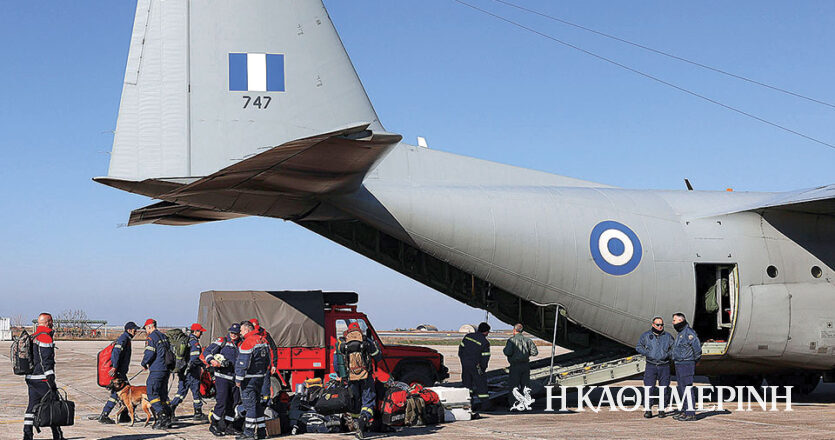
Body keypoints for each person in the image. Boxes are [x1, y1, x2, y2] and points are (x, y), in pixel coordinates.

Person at [23, 313, 65, 440]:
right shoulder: (45, 337)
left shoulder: (33, 336)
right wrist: (51, 380)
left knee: (31, 407)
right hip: (43, 379)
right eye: (51, 321)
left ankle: (27, 435)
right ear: (48, 322)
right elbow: (46, 361)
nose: (52, 323)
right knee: (54, 405)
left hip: (31, 378)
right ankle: (57, 435)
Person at [340, 321, 382, 439]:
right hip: (365, 377)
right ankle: (362, 423)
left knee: (355, 401)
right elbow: (378, 357)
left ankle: (355, 421)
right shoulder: (365, 341)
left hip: (350, 378)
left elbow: (337, 363)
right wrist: (376, 348)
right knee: (368, 402)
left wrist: (343, 376)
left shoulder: (343, 343)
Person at [97, 321, 141, 424]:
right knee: (125, 394)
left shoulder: (126, 339)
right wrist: (115, 367)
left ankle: (123, 416)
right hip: (119, 372)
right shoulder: (123, 339)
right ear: (129, 330)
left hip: (121, 372)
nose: (136, 332)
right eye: (135, 330)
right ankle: (106, 415)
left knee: (122, 394)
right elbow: (116, 353)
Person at [236, 320, 273, 439]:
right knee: (257, 405)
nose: (240, 333)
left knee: (250, 406)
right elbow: (268, 360)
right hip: (260, 378)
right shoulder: (263, 340)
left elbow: (243, 363)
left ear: (247, 329)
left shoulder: (247, 342)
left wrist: (238, 379)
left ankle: (249, 433)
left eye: (241, 330)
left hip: (248, 379)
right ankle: (261, 431)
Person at [205, 323, 243, 436]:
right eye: (231, 332)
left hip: (235, 379)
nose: (233, 335)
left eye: (235, 333)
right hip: (222, 378)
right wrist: (212, 361)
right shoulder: (223, 341)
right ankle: (214, 424)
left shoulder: (242, 344)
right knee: (222, 402)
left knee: (234, 403)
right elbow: (207, 352)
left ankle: (228, 426)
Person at [635, 316, 673, 418]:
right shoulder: (646, 336)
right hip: (651, 366)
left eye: (661, 325)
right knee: (649, 388)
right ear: (653, 325)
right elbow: (638, 347)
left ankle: (662, 409)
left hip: (664, 366)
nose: (660, 327)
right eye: (658, 325)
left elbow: (673, 348)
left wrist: (667, 354)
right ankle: (648, 410)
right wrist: (648, 353)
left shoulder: (668, 336)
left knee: (664, 388)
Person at [171, 323, 208, 421]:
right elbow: (195, 359)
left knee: (181, 392)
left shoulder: (187, 340)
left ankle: (171, 410)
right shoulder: (194, 343)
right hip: (192, 372)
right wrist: (204, 365)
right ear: (195, 332)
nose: (201, 334)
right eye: (200, 332)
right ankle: (197, 413)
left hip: (183, 371)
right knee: (195, 392)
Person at [142, 318, 173, 429]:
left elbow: (150, 352)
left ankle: (162, 416)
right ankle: (168, 416)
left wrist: (144, 363)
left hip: (157, 369)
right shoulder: (163, 336)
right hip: (166, 369)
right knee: (163, 394)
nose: (146, 331)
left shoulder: (152, 337)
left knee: (152, 392)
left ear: (150, 326)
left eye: (146, 328)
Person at [671, 312, 701, 421]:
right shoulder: (680, 333)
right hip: (679, 363)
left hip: (686, 364)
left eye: (674, 320)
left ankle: (690, 413)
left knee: (687, 388)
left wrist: (694, 360)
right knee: (682, 389)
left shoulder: (689, 333)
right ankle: (684, 411)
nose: (673, 323)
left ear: (680, 320)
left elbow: (697, 349)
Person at [503, 323, 538, 408]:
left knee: (514, 386)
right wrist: (526, 353)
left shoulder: (511, 340)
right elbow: (535, 352)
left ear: (514, 330)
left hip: (515, 366)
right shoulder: (528, 340)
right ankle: (527, 404)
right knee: (526, 386)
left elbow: (507, 352)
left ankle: (514, 405)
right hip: (525, 365)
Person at [458, 322, 492, 410]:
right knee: (481, 385)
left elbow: (460, 350)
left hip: (465, 364)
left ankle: (469, 405)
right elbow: (485, 357)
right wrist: (482, 369)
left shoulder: (468, 336)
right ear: (486, 332)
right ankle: (486, 406)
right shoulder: (485, 342)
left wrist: (464, 361)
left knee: (467, 385)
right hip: (476, 366)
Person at [249, 318, 278, 406]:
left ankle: (266, 405)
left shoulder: (265, 334)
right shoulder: (245, 336)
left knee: (265, 389)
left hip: (264, 367)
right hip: (252, 368)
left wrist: (274, 365)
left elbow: (273, 349)